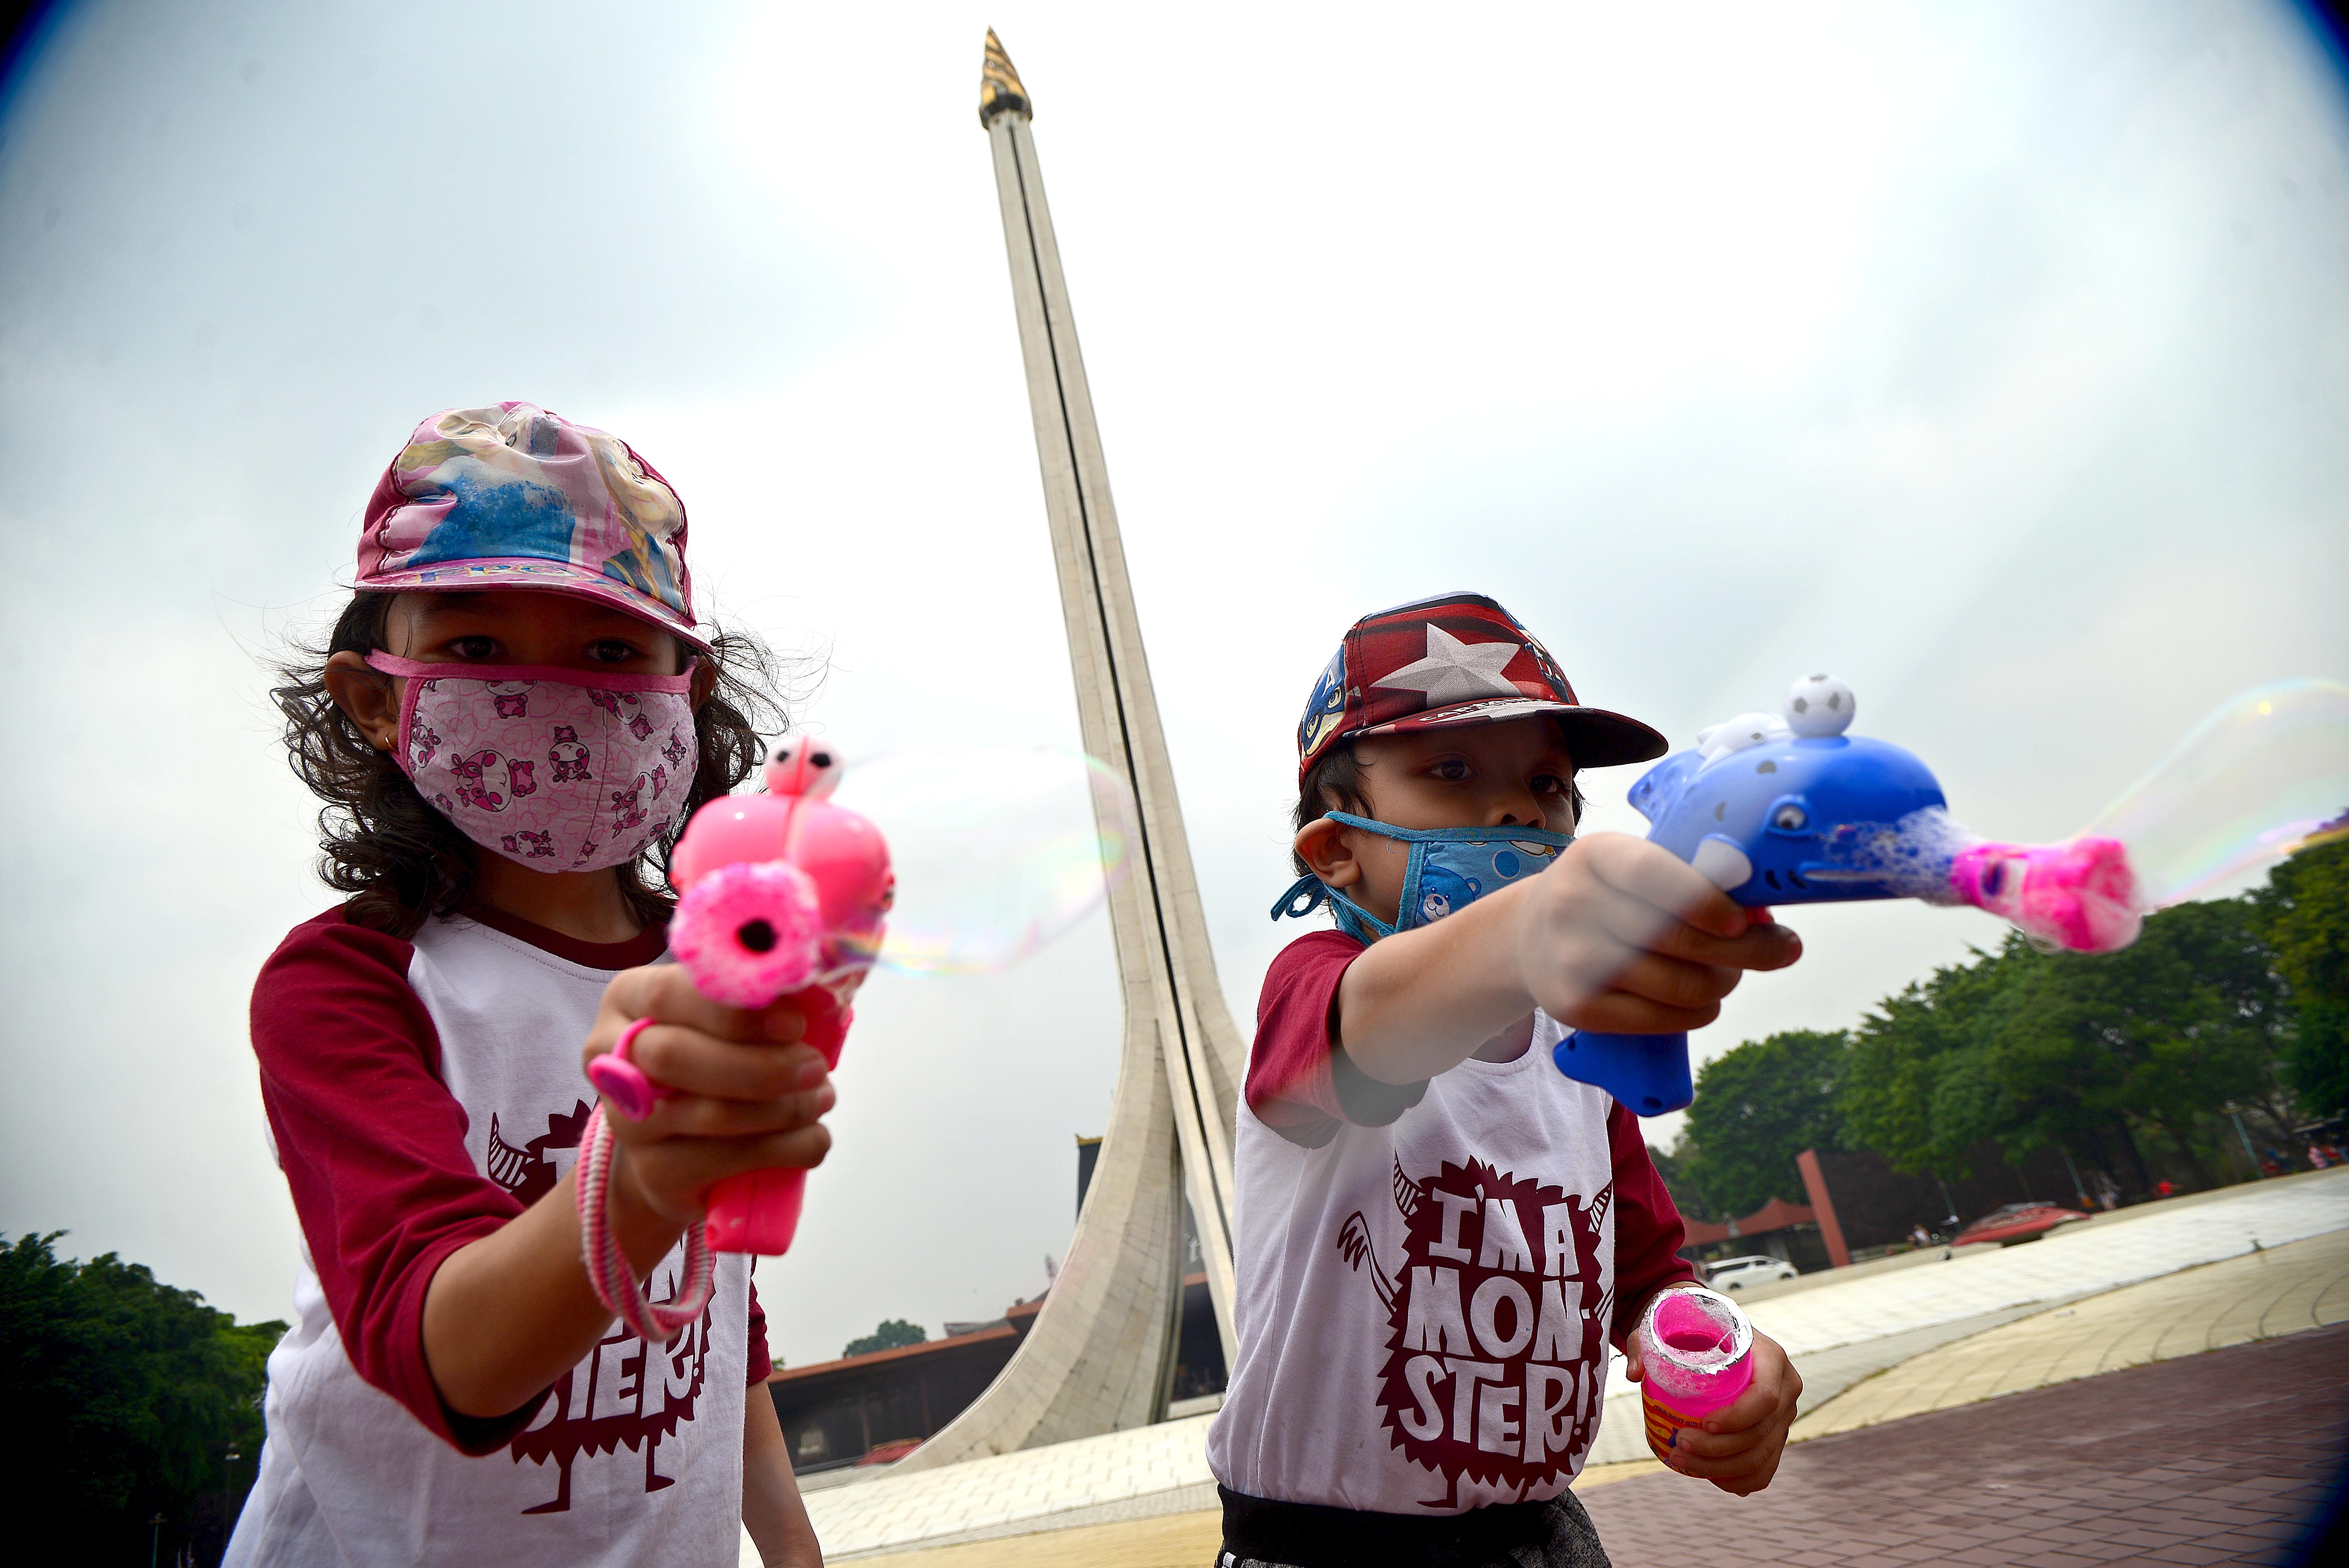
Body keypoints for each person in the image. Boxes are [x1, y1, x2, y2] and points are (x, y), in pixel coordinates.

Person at [228, 404, 828, 1567]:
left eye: (608, 652)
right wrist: (646, 1168)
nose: (547, 693)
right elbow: (458, 1358)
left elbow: (717, 1307)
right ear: (371, 697)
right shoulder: (345, 985)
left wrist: (794, 1552)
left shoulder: (717, 967)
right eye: (476, 649)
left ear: (688, 690)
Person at [1205, 594, 1806, 1568]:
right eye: (1450, 771)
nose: (1520, 811)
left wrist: (1717, 1356)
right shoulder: (1317, 993)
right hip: (1326, 1548)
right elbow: (1371, 1032)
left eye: (1548, 784)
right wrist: (1523, 938)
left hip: (1540, 1537)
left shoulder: (1582, 1053)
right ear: (1336, 849)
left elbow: (1645, 1276)